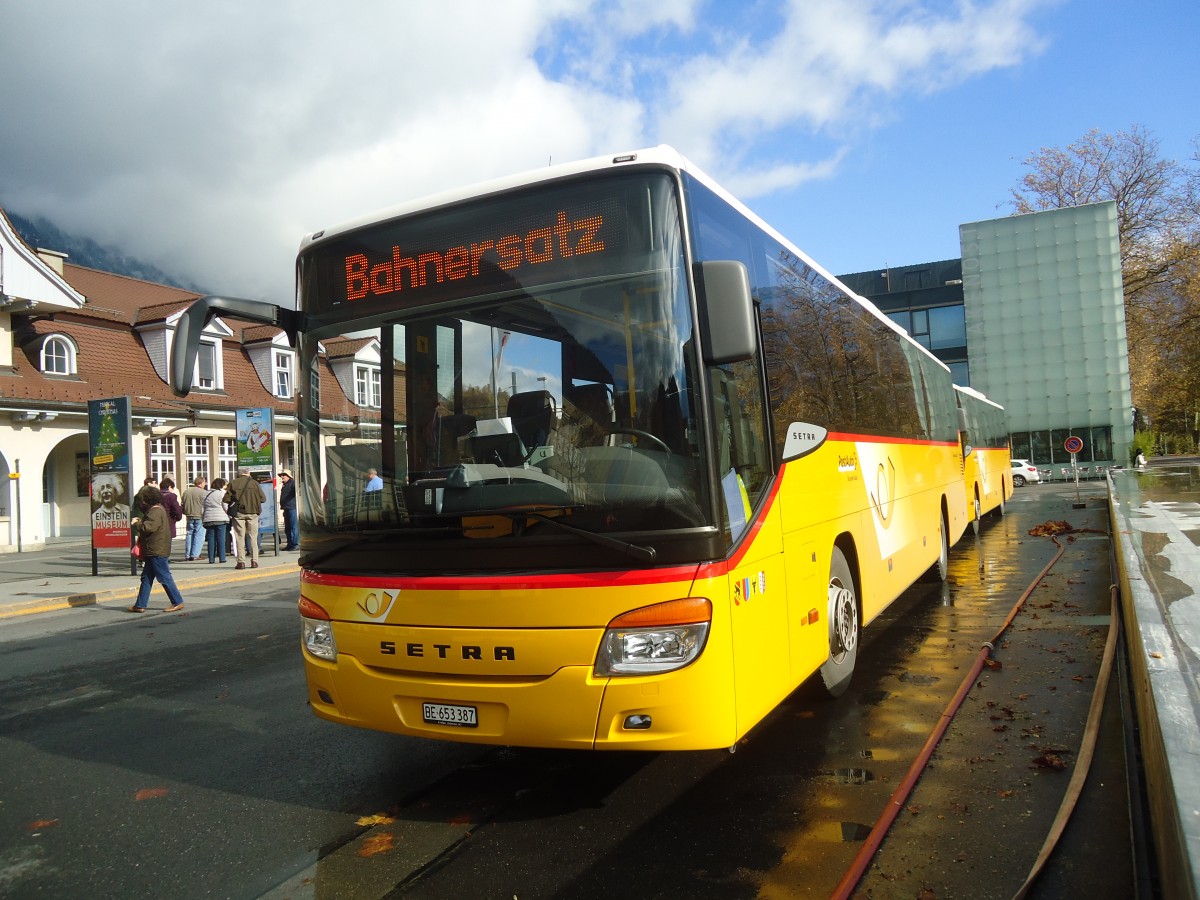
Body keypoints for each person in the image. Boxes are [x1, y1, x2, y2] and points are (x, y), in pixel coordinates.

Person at [127, 485, 185, 613]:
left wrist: (136, 523)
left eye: (143, 499)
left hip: (156, 550)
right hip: (153, 549)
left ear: (148, 499)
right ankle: (140, 604)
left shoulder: (155, 511)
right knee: (146, 578)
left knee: (164, 576)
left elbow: (148, 527)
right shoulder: (156, 510)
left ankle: (177, 601)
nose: (141, 502)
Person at [225, 468, 267, 570]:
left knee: (240, 537)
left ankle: (241, 562)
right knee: (253, 537)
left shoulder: (233, 483)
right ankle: (254, 561)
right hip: (253, 512)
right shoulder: (255, 483)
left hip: (239, 513)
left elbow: (226, 499)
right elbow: (263, 498)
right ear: (248, 473)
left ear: (239, 474)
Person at [202, 477, 230, 564]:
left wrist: (203, 517)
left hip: (209, 518)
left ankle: (211, 559)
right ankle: (222, 558)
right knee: (221, 538)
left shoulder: (205, 494)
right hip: (221, 518)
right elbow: (225, 506)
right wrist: (229, 515)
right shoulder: (221, 494)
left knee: (211, 539)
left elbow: (202, 508)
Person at [180, 475, 208, 560]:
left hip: (189, 515)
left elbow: (182, 503)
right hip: (199, 515)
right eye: (204, 483)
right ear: (201, 483)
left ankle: (188, 554)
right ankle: (195, 554)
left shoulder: (186, 491)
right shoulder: (203, 492)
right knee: (199, 535)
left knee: (189, 534)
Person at [158, 477, 184, 556]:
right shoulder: (171, 496)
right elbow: (176, 509)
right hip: (169, 520)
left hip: (157, 520)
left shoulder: (155, 495)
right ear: (169, 487)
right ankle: (164, 557)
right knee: (167, 542)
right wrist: (178, 518)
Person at [279, 470, 299, 550]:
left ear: (288, 476)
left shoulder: (292, 482)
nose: (282, 477)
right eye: (281, 475)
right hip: (286, 508)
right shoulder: (285, 484)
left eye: (283, 475)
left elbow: (297, 491)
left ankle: (295, 544)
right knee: (287, 527)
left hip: (292, 508)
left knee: (293, 527)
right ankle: (289, 544)